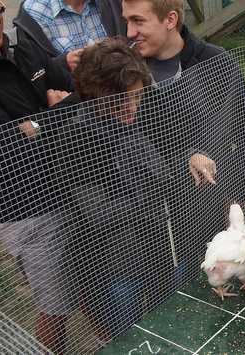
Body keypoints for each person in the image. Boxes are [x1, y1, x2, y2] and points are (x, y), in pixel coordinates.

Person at [122, 0, 245, 281]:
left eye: (138, 21)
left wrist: (235, 195)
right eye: (127, 21)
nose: (129, 32)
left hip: (208, 207)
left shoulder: (214, 61)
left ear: (170, 19)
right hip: (149, 219)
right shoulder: (126, 67)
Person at [0, 0, 75, 353]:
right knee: (55, 306)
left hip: (72, 186)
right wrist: (57, 113)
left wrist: (37, 123)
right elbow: (5, 151)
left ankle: (107, 339)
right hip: (29, 207)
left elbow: (63, 85)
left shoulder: (21, 45)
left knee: (89, 282)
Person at [60, 37, 176, 339]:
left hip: (158, 246)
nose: (131, 108)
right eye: (118, 101)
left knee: (170, 324)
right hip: (115, 262)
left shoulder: (141, 114)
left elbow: (168, 163)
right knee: (131, 337)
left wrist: (184, 162)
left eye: (135, 97)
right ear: (94, 95)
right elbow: (97, 212)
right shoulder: (76, 138)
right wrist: (151, 201)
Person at [13, 0, 126, 71]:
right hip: (72, 104)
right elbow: (32, 72)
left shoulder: (113, 3)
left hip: (121, 95)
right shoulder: (33, 12)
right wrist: (63, 63)